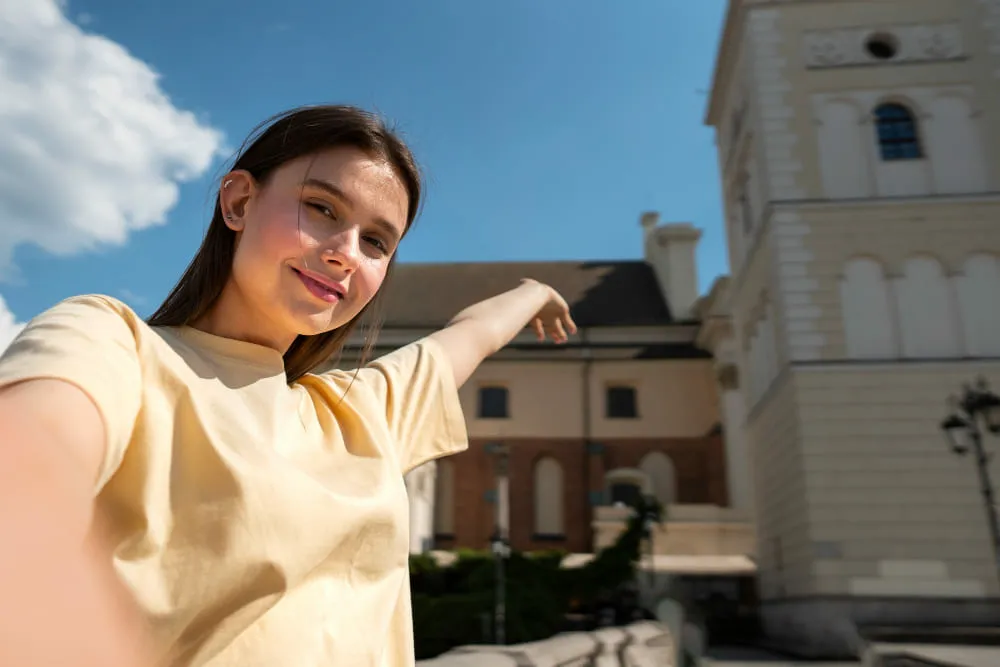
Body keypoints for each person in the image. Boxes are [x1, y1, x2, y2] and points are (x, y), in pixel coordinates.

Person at [0, 105, 577, 667]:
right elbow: (23, 496)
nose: (346, 254)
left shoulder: (359, 414)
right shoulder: (114, 344)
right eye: (321, 207)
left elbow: (470, 334)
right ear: (239, 201)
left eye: (376, 242)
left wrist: (534, 292)